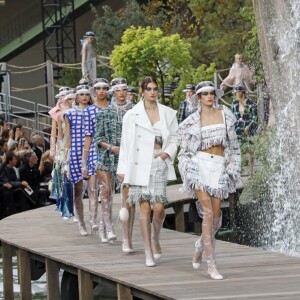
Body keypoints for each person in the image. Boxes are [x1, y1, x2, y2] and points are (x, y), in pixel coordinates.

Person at [177, 81, 241, 280]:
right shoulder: (191, 121)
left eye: (212, 93)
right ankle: (211, 265)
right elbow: (184, 151)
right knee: (207, 213)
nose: (209, 96)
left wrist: (232, 167)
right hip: (199, 166)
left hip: (219, 167)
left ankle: (200, 245)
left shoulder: (226, 115)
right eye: (205, 93)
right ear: (198, 97)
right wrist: (188, 167)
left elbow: (234, 146)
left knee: (215, 217)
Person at [117, 76, 179, 267]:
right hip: (138, 164)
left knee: (159, 207)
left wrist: (165, 154)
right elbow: (125, 143)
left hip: (158, 161)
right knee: (144, 207)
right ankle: (147, 252)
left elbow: (176, 137)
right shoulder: (132, 115)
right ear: (142, 91)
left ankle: (155, 238)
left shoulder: (167, 113)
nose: (153, 92)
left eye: (155, 89)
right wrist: (123, 169)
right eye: (149, 89)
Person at [94, 77, 133, 243]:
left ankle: (113, 230)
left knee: (126, 195)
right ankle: (108, 227)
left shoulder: (134, 112)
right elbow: (98, 137)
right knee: (106, 191)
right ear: (113, 93)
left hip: (127, 157)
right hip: (106, 156)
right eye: (118, 90)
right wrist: (111, 147)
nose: (121, 93)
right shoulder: (104, 113)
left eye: (124, 89)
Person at [81, 78, 110, 238]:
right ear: (94, 91)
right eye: (98, 88)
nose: (101, 91)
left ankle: (104, 226)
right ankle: (93, 220)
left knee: (107, 191)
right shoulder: (88, 111)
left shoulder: (113, 108)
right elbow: (88, 136)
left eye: (104, 88)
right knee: (93, 188)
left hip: (112, 152)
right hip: (94, 152)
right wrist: (84, 161)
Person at [64, 85, 93, 236]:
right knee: (78, 189)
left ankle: (94, 221)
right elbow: (67, 137)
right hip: (75, 152)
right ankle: (81, 223)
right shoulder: (69, 114)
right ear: (76, 96)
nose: (84, 97)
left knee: (94, 188)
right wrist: (65, 160)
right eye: (81, 94)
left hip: (93, 150)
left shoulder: (94, 111)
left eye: (86, 94)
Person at [231, 85, 258, 176]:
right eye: (235, 92)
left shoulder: (250, 103)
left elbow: (255, 117)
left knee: (250, 151)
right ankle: (239, 172)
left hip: (248, 130)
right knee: (239, 151)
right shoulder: (234, 103)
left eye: (238, 92)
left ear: (242, 92)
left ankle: (251, 173)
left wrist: (249, 126)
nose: (236, 94)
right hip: (238, 129)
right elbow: (232, 117)